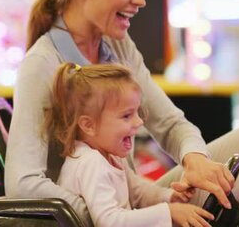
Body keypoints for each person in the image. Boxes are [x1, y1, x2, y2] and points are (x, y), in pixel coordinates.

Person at [4, 0, 239, 225]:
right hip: (116, 216)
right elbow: (22, 182)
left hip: (134, 204)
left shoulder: (117, 45)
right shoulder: (42, 64)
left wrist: (195, 160)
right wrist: (102, 212)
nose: (140, 0)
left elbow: (170, 124)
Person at [45, 62, 214, 226]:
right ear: (89, 125)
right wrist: (168, 212)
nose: (139, 121)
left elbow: (137, 192)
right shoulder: (90, 163)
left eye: (137, 112)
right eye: (126, 116)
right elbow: (110, 221)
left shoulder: (110, 155)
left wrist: (169, 197)